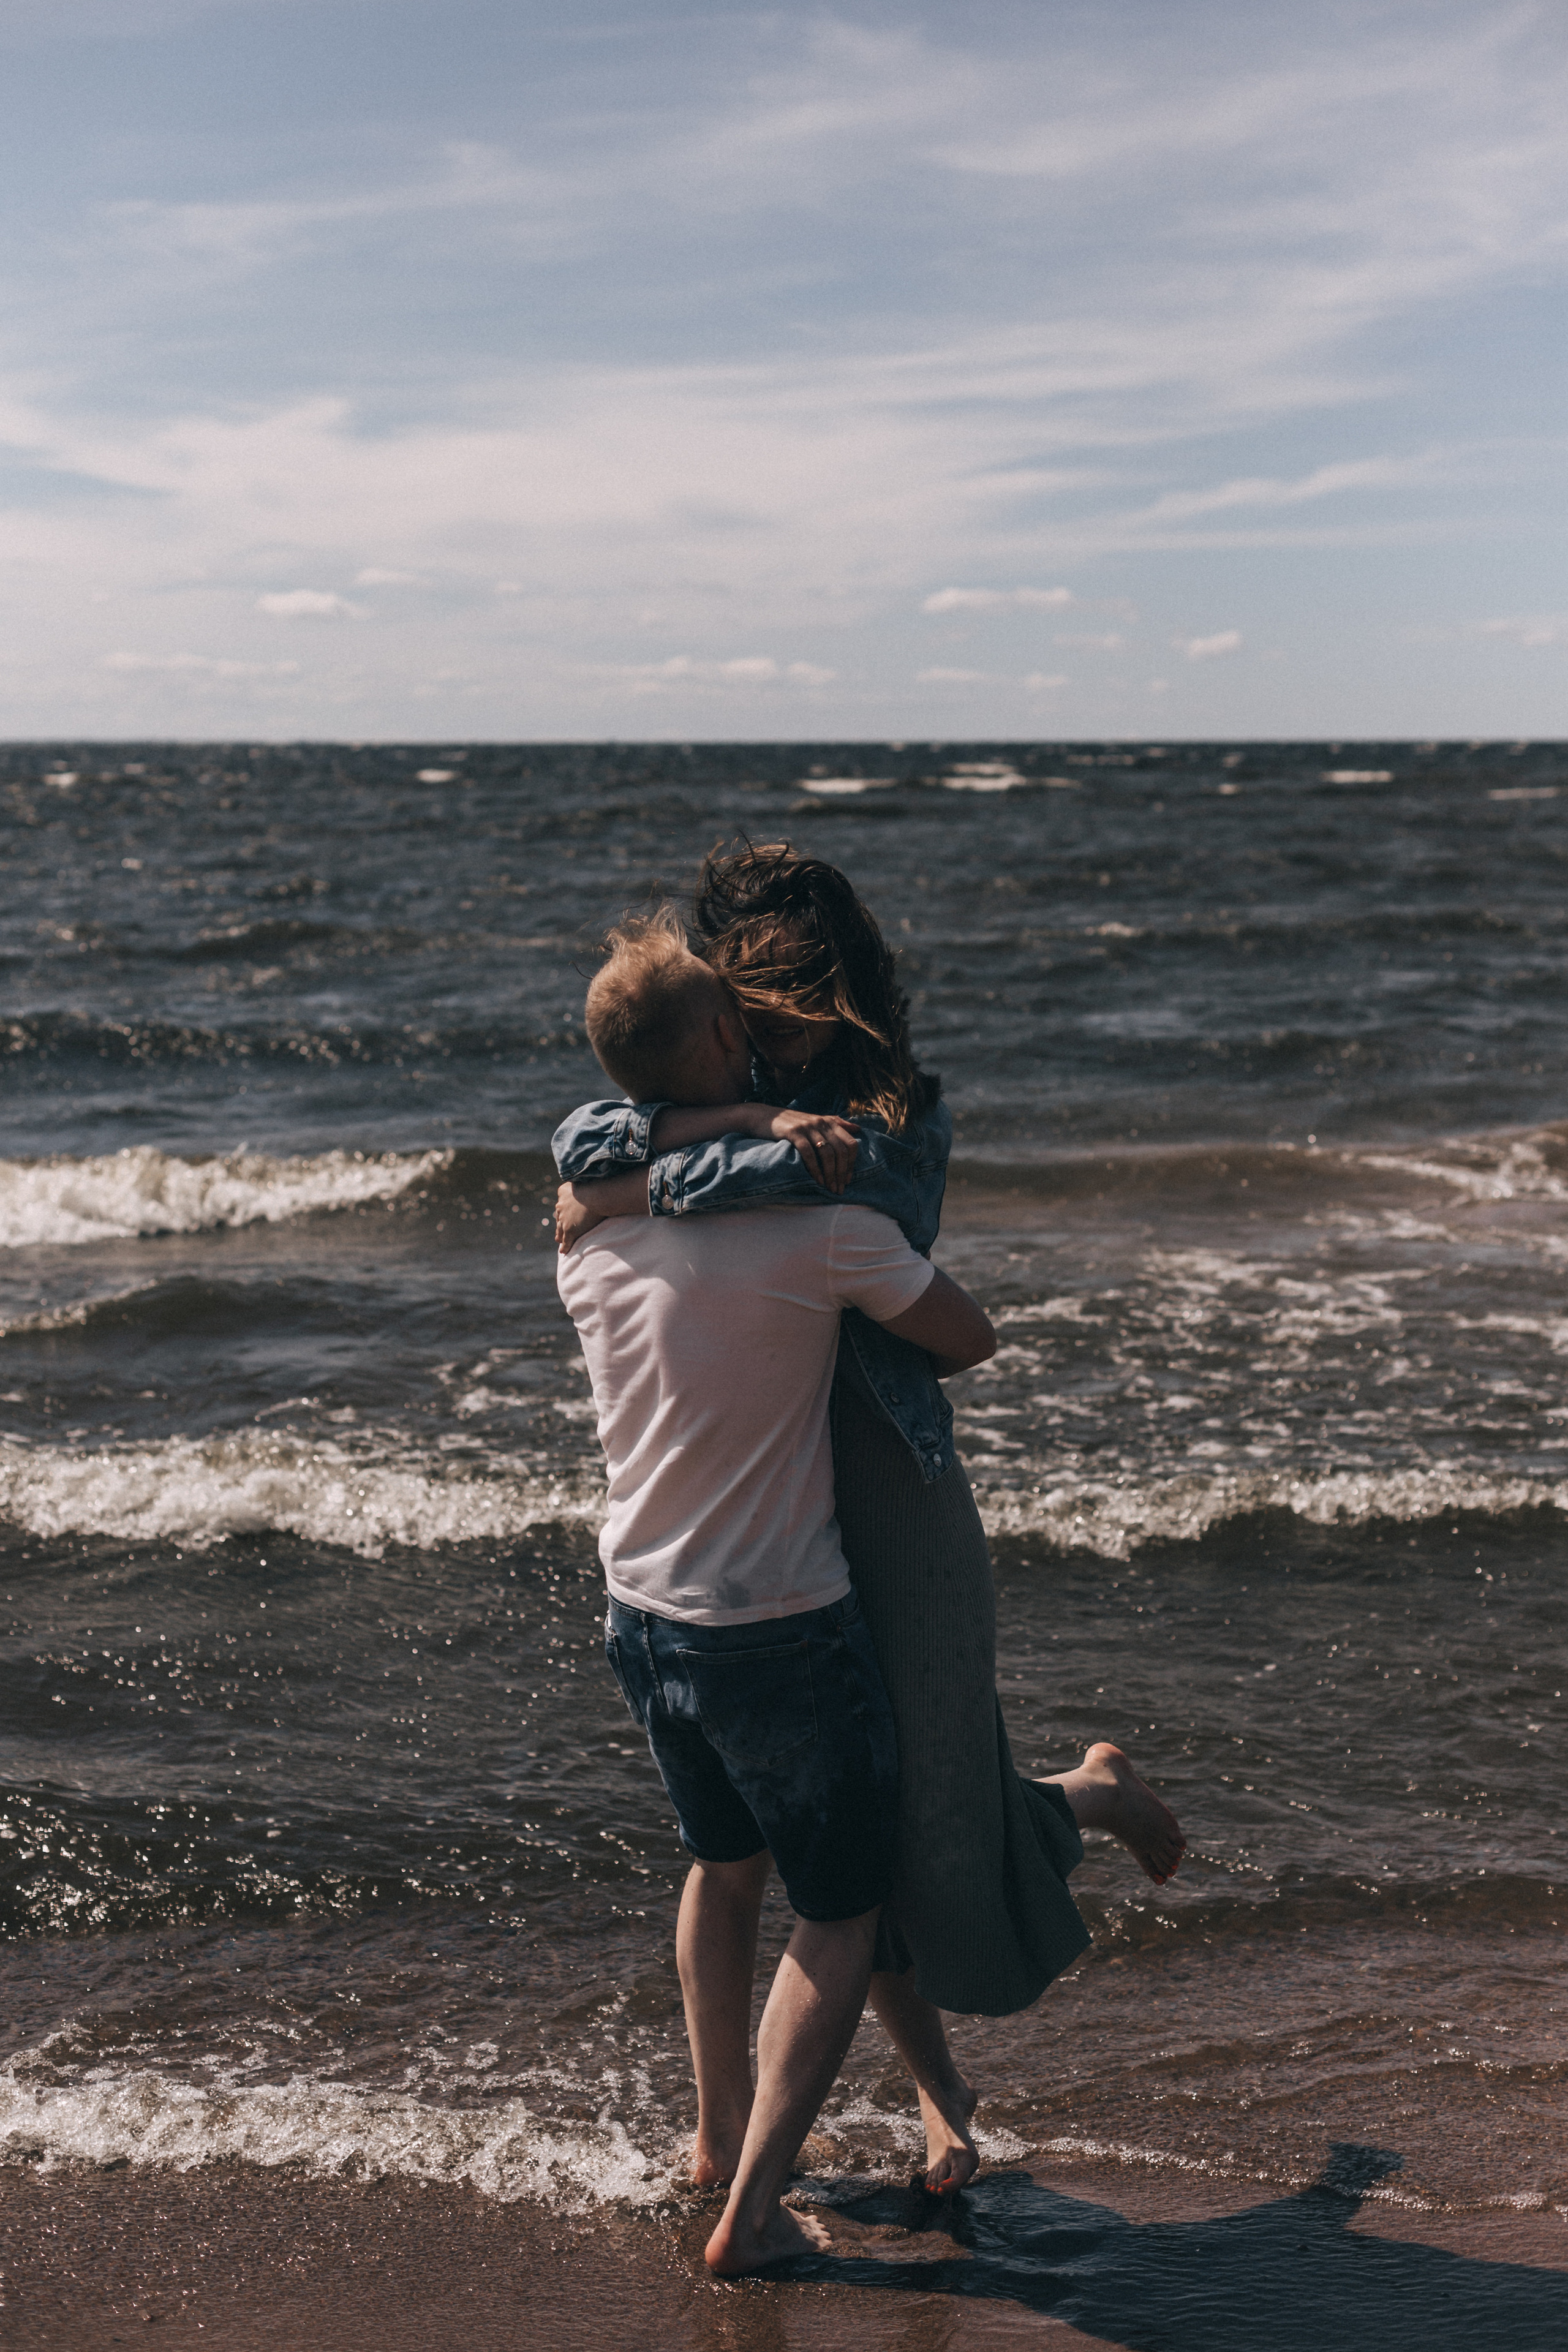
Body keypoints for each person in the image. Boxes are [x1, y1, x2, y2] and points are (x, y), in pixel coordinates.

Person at [554, 846, 1185, 2197]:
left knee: (921, 1830)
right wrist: (713, 1139)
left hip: (882, 1482)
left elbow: (832, 1218)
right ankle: (926, 2097)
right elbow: (576, 1154)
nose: (758, 1023)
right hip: (762, 1481)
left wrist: (661, 1171)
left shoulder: (893, 1116)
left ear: (825, 991)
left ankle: (1083, 1802)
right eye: (742, 1001)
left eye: (778, 998)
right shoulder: (740, 1099)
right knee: (824, 1846)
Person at [554, 911, 1000, 2275]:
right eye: (735, 1015)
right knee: (842, 1907)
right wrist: (814, 1180)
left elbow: (603, 1173)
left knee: (721, 1867)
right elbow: (967, 1337)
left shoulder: (583, 1229)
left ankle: (714, 2136)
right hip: (777, 1624)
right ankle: (751, 2216)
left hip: (641, 1610)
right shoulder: (820, 1229)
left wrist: (732, 1137)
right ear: (719, 1038)